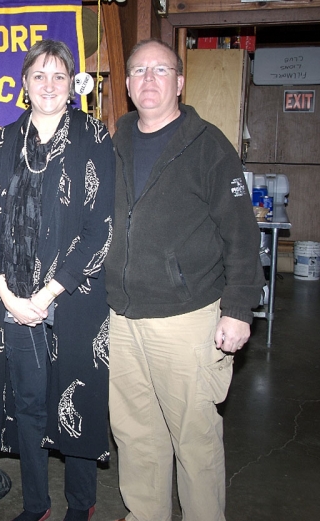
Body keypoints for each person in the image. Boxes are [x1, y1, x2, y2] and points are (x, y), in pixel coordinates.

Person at [104, 39, 264, 521]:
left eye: (160, 70)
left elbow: (242, 233)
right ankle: (145, 514)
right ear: (128, 84)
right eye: (138, 71)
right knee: (135, 435)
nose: (149, 80)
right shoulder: (116, 139)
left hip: (187, 319)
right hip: (123, 318)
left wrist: (238, 309)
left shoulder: (208, 145)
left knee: (194, 439)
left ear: (179, 81)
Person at [0, 39, 115, 521]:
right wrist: (9, 296)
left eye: (59, 76)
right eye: (39, 76)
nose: (49, 85)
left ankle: (82, 504)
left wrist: (50, 291)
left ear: (72, 85)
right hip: (13, 300)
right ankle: (36, 504)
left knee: (76, 397)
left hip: (75, 298)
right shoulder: (2, 141)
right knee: (30, 404)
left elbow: (103, 226)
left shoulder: (94, 135)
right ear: (24, 85)